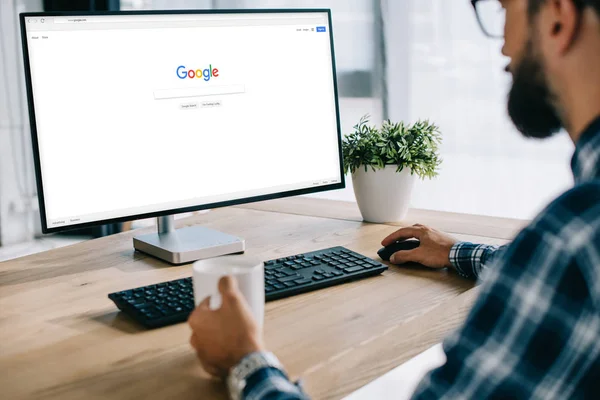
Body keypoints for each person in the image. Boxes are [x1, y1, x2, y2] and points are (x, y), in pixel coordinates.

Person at [188, 0, 600, 398]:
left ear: (557, 18)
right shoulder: (571, 247)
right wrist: (458, 251)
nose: (505, 46)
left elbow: (565, 268)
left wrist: (246, 360)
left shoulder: (574, 236)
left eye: (502, 9)